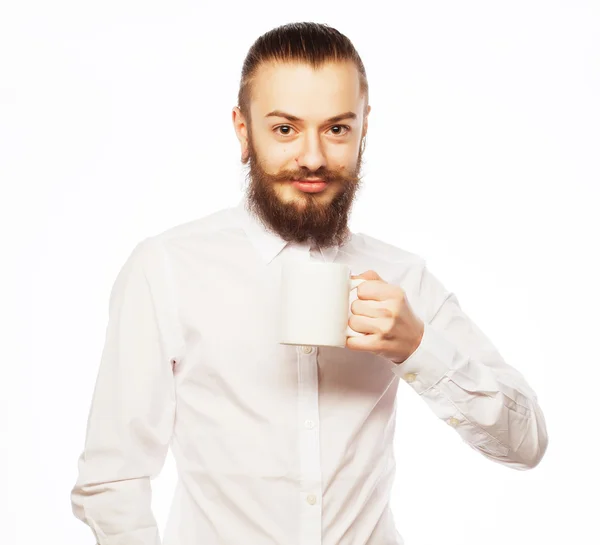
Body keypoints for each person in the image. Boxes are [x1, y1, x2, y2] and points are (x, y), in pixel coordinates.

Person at [70, 21, 548, 545]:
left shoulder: (403, 277)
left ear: (365, 128)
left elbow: (526, 444)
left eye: (337, 128)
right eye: (285, 129)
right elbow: (112, 478)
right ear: (242, 130)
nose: (314, 156)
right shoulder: (166, 268)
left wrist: (420, 349)